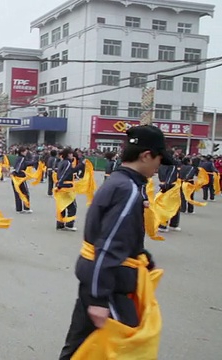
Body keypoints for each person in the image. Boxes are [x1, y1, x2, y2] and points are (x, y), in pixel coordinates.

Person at [58, 125, 173, 359]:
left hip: (97, 279)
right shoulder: (128, 190)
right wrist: (100, 298)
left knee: (79, 348)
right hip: (108, 286)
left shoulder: (120, 182)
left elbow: (114, 236)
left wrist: (143, 258)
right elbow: (108, 244)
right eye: (159, 159)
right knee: (127, 347)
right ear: (146, 155)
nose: (158, 167)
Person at [55, 148, 77, 231]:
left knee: (62, 205)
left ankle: (60, 224)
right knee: (72, 206)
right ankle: (69, 224)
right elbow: (64, 174)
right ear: (68, 154)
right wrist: (60, 184)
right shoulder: (68, 163)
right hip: (66, 187)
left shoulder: (61, 162)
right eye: (71, 154)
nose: (72, 155)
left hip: (61, 186)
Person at [11, 146, 37, 214]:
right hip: (20, 178)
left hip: (15, 178)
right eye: (25, 151)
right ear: (22, 152)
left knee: (18, 193)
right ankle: (26, 208)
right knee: (25, 192)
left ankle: (19, 209)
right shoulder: (22, 158)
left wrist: (32, 162)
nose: (26, 152)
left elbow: (26, 163)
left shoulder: (18, 158)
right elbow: (19, 167)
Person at [157, 159, 181, 232]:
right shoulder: (172, 166)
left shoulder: (161, 165)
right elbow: (170, 177)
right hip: (171, 187)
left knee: (162, 205)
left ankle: (163, 224)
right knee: (174, 205)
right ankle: (170, 224)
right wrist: (166, 186)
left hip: (163, 185)